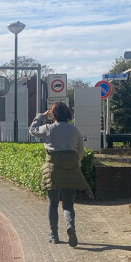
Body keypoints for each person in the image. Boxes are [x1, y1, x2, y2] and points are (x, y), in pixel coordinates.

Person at [28, 101, 92, 246]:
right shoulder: (74, 130)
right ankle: (70, 226)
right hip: (71, 170)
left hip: (53, 170)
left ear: (53, 114)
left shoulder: (48, 128)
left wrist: (42, 116)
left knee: (53, 204)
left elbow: (32, 130)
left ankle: (54, 235)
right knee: (68, 205)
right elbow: (80, 152)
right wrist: (76, 163)